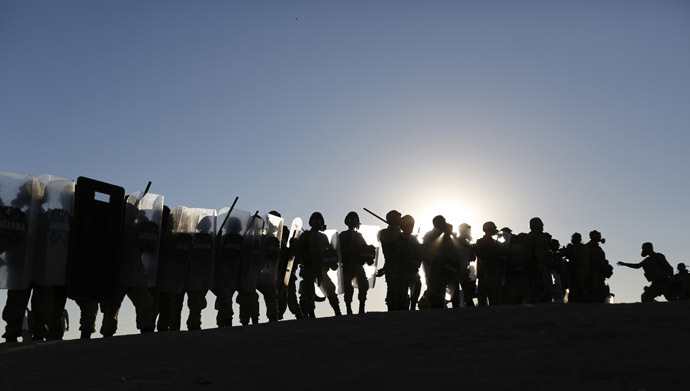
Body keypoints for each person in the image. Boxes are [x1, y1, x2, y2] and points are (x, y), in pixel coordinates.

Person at [339, 212, 374, 314]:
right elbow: (338, 249)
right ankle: (348, 307)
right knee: (348, 287)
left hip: (358, 264)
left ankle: (361, 306)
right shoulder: (343, 235)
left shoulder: (359, 236)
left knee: (363, 284)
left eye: (355, 218)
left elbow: (365, 248)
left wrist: (370, 251)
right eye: (351, 218)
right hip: (347, 264)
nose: (353, 220)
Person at [521, 217, 553, 303]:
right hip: (539, 266)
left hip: (529, 266)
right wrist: (540, 264)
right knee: (542, 288)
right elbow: (539, 252)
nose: (543, 226)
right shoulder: (539, 236)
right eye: (541, 224)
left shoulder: (528, 237)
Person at [377, 210, 402, 311]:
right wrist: (396, 232)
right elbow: (390, 244)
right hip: (391, 265)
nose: (400, 220)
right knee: (392, 289)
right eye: (398, 218)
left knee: (402, 290)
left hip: (403, 265)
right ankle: (391, 310)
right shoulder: (383, 233)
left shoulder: (401, 232)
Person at [475, 222, 504, 306]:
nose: (495, 229)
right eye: (493, 228)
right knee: (485, 300)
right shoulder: (481, 242)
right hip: (486, 273)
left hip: (492, 273)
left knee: (494, 300)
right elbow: (481, 255)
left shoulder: (494, 242)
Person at [397, 215, 422, 310]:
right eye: (408, 225)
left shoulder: (414, 238)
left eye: (411, 225)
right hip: (402, 269)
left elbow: (419, 253)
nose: (410, 228)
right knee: (403, 291)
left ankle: (412, 306)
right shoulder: (398, 237)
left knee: (417, 287)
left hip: (414, 268)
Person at [584, 230, 612, 303]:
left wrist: (607, 266)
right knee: (593, 293)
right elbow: (591, 260)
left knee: (601, 293)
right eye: (597, 235)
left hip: (599, 274)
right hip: (592, 274)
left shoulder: (598, 248)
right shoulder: (588, 247)